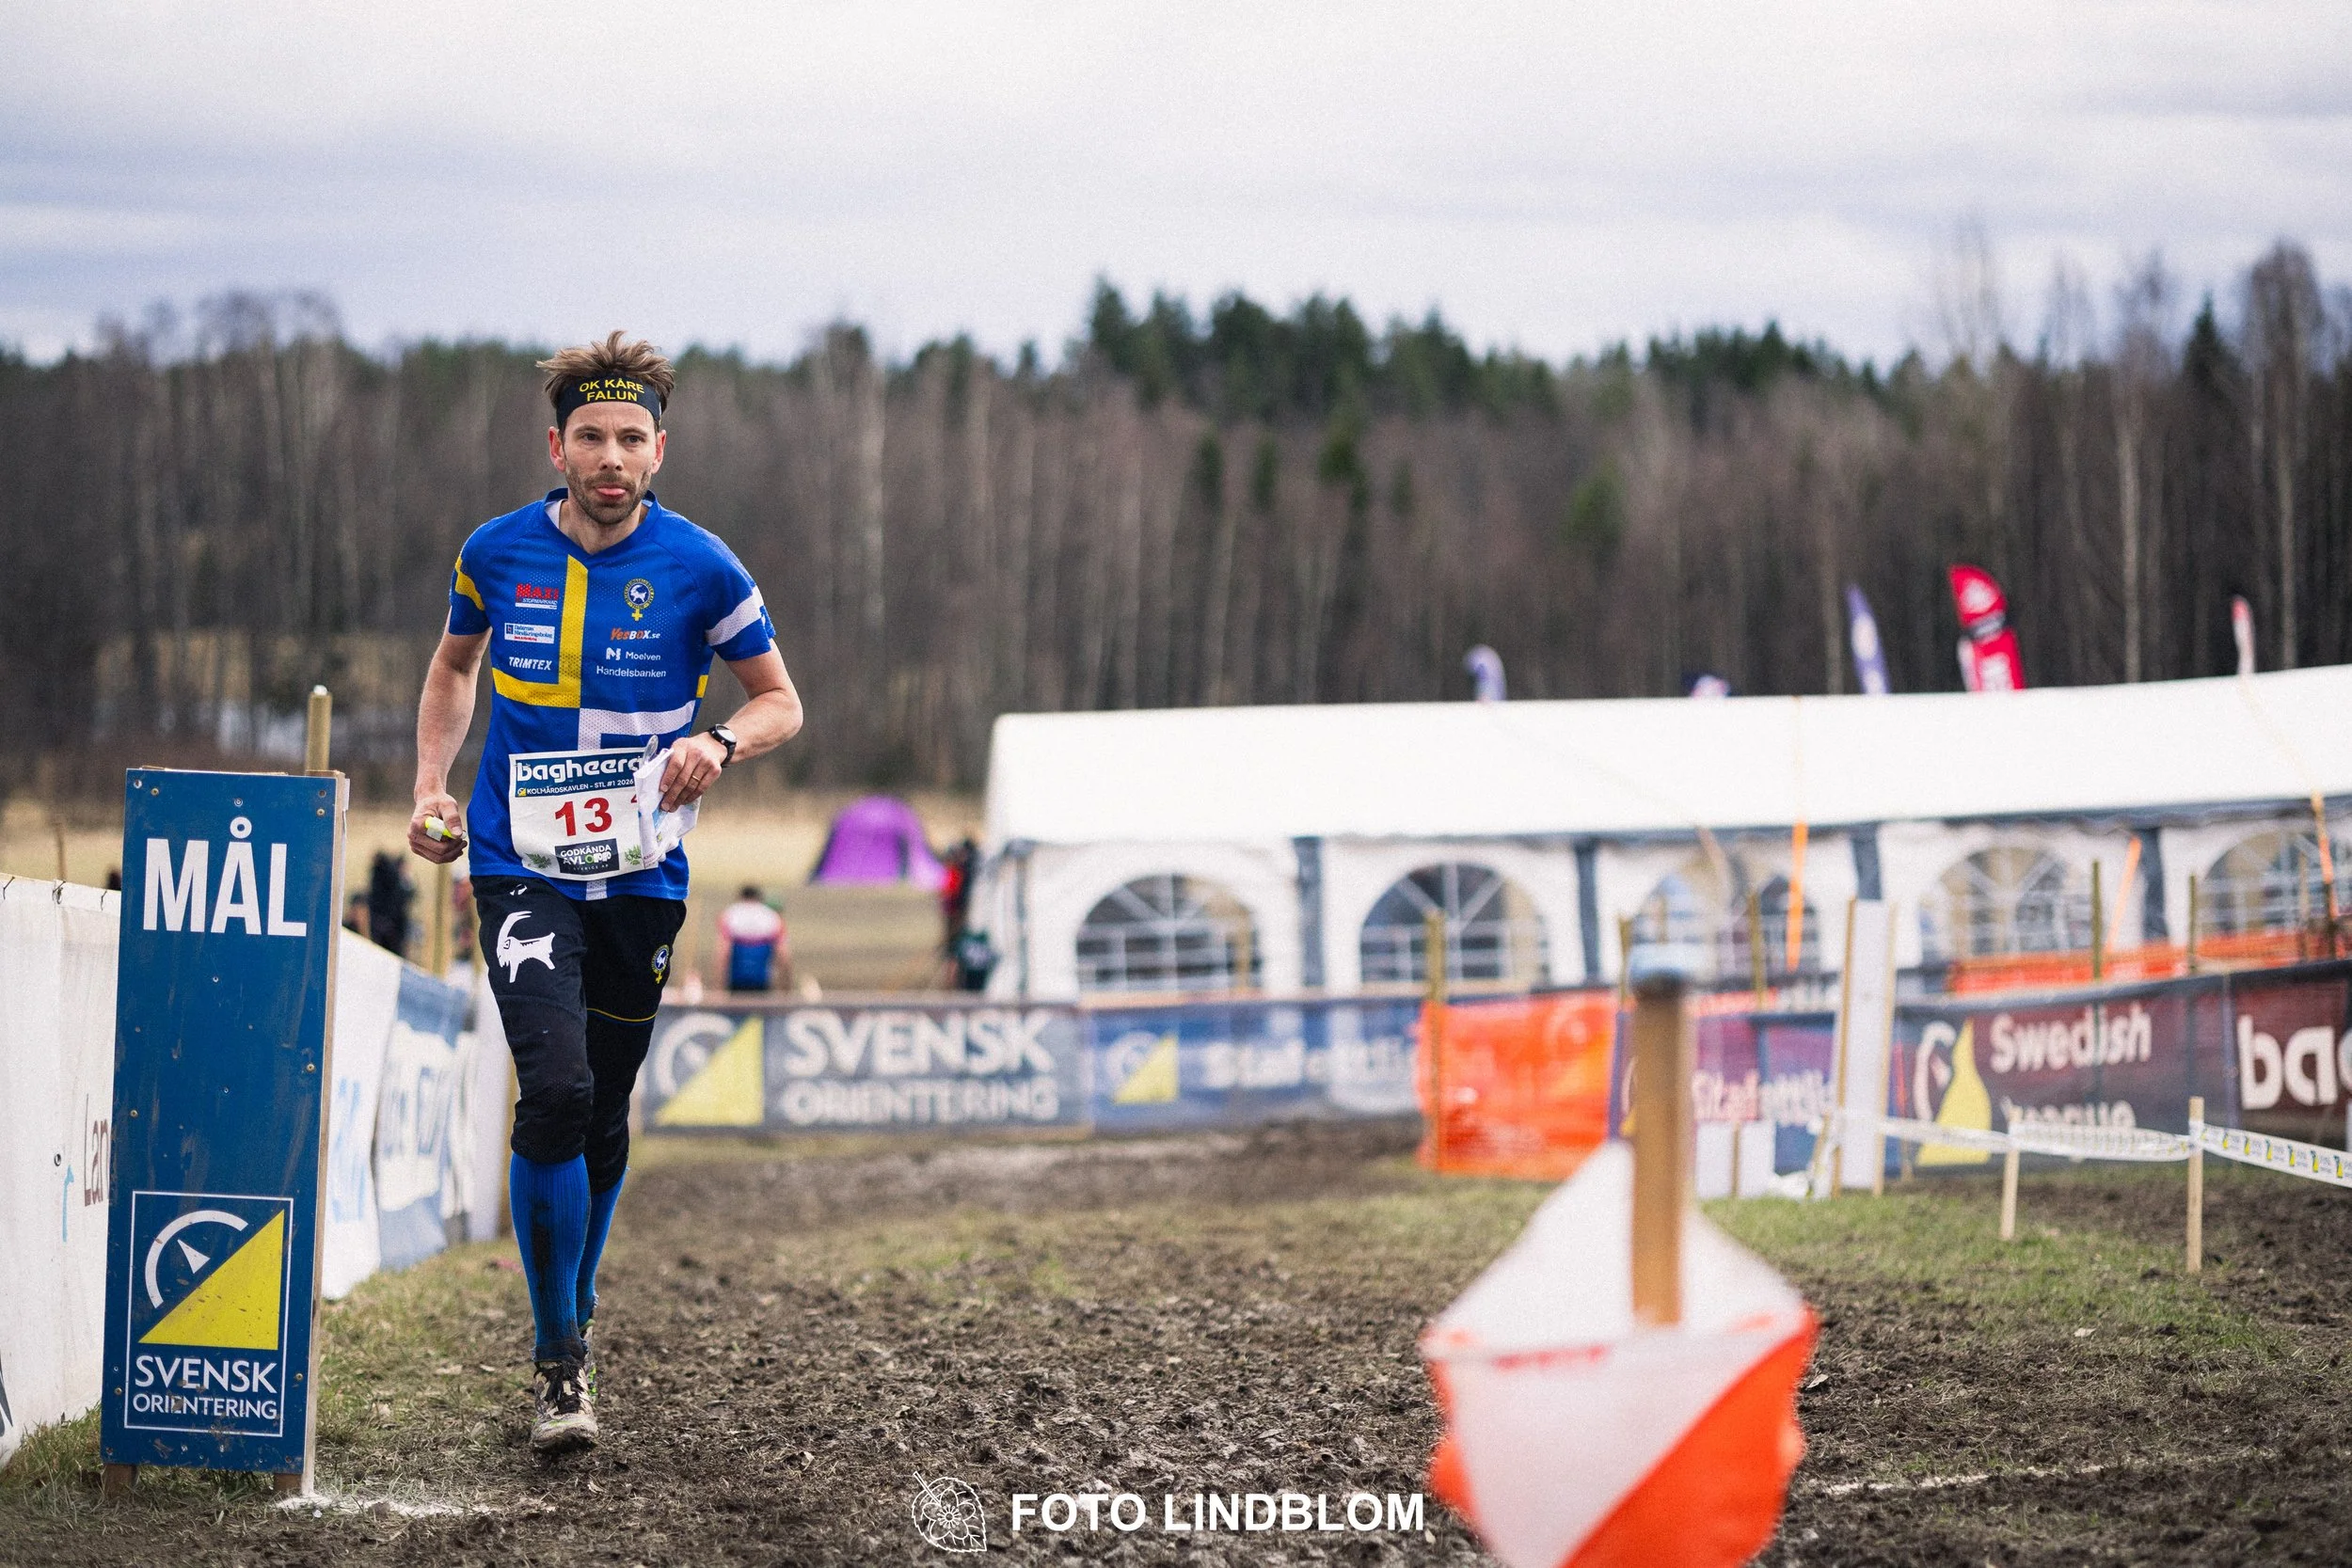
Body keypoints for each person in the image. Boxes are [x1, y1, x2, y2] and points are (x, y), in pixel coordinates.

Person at [407, 332, 803, 1454]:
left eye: (632, 437)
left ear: (658, 452)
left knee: (605, 1107)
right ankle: (557, 1361)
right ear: (558, 447)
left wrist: (718, 742)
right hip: (518, 861)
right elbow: (453, 666)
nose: (612, 456)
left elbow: (780, 700)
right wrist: (431, 786)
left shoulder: (703, 566)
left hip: (642, 869)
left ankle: (574, 1304)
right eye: (592, 436)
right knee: (556, 1089)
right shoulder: (494, 550)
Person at [718, 884, 787, 993]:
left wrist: (719, 988)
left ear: (740, 897)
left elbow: (722, 954)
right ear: (759, 898)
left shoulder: (730, 915)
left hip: (736, 979)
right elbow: (783, 955)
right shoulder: (772, 917)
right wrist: (785, 988)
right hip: (762, 979)